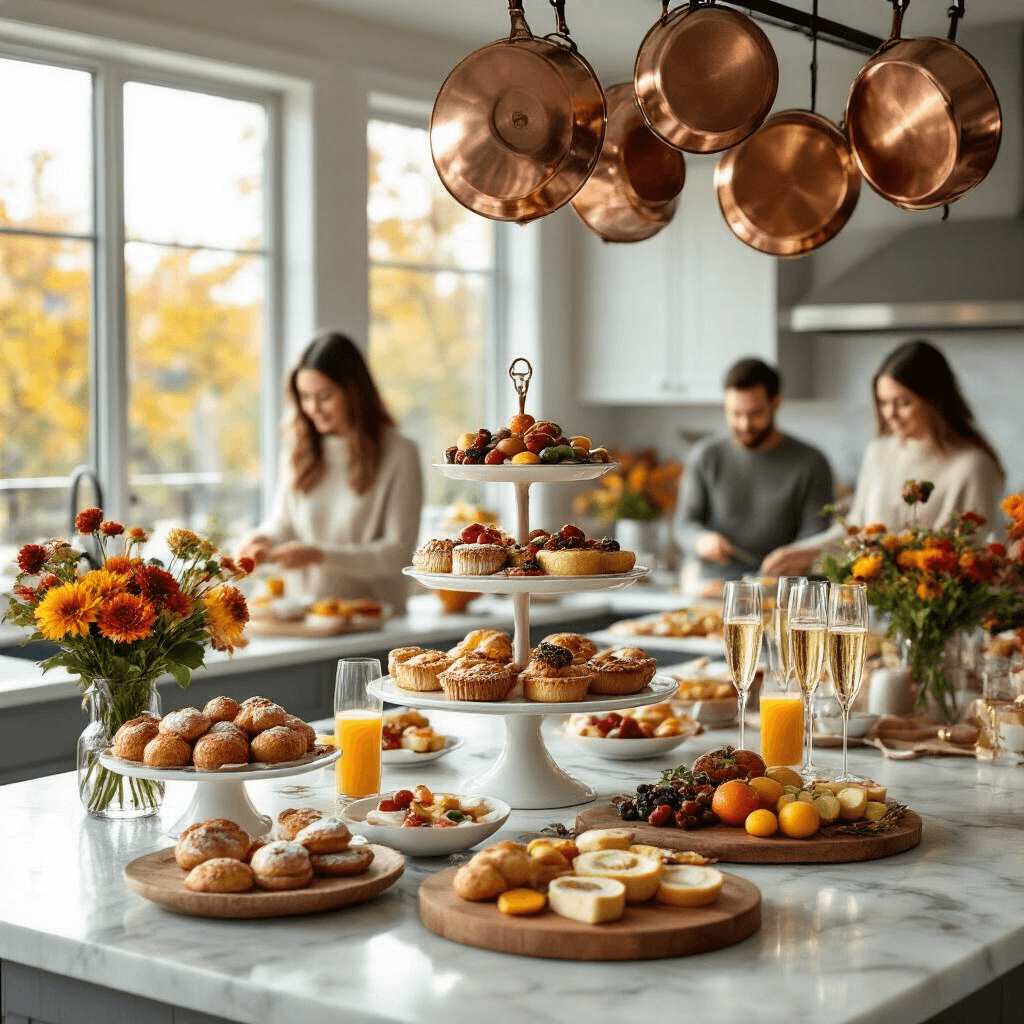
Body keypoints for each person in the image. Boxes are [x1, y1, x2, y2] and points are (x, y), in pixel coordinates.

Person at [763, 339, 1005, 574]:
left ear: (934, 400)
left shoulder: (973, 466)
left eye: (903, 402)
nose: (890, 414)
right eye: (883, 402)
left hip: (934, 609)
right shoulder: (878, 452)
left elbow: (974, 558)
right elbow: (856, 532)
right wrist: (804, 552)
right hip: (869, 604)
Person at [238, 332, 423, 612]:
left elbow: (397, 553)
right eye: (305, 397)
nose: (313, 409)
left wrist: (318, 555)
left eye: (325, 396)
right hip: (309, 615)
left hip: (376, 623)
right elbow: (284, 522)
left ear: (354, 392)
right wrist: (264, 539)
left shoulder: (400, 453)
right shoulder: (297, 448)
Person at [674, 357, 835, 584]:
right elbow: (684, 525)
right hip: (716, 588)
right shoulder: (705, 456)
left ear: (776, 402)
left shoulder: (811, 462)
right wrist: (701, 540)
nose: (744, 425)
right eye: (735, 414)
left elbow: (817, 535)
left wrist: (791, 557)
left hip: (781, 590)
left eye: (754, 414)